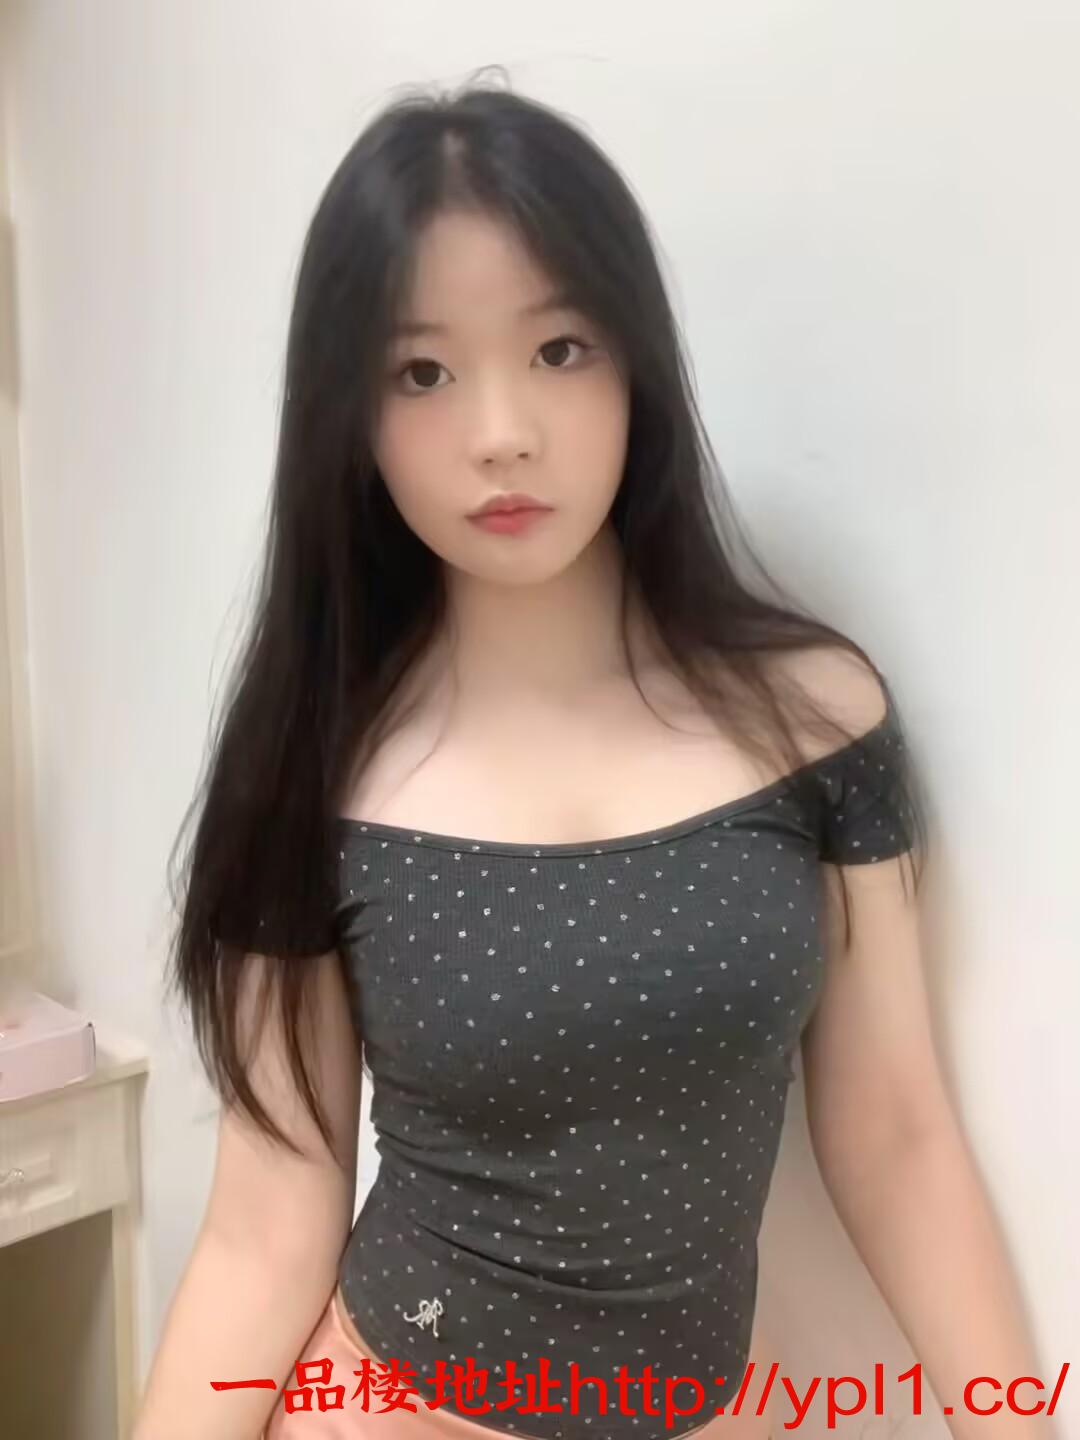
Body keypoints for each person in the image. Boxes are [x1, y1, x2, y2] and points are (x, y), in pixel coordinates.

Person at [134, 75, 1048, 1440]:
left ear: (636, 365)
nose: (500, 429)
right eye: (422, 372)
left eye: (559, 348)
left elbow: (900, 1138)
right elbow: (264, 1231)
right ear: (351, 416)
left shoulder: (820, 725)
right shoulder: (313, 774)